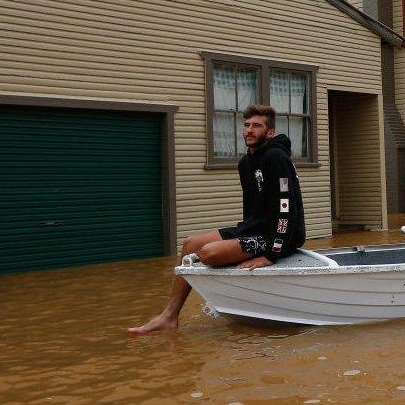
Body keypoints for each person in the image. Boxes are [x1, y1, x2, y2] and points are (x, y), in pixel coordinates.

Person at [129, 104, 305, 333]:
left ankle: (233, 297)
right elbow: (251, 208)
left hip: (280, 236)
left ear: (269, 132)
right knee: (190, 244)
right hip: (255, 228)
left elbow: (286, 207)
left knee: (208, 253)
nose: (249, 130)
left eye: (257, 126)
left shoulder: (276, 157)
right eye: (246, 125)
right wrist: (240, 240)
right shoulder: (246, 163)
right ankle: (169, 316)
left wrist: (272, 253)